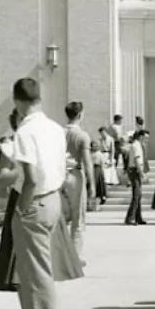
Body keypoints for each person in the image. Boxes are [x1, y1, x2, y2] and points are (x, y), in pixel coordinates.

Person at [0, 109, 83, 309]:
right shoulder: (10, 146)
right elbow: (2, 179)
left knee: (43, 265)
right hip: (23, 199)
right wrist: (25, 173)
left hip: (43, 198)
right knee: (19, 264)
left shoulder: (42, 141)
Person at [9, 77, 70, 309]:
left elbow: (31, 179)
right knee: (37, 269)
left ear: (18, 102)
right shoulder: (56, 129)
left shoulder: (24, 132)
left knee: (36, 273)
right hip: (53, 198)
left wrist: (21, 208)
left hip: (35, 201)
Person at [62, 101, 95, 264]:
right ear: (80, 115)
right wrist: (92, 184)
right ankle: (74, 255)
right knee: (78, 218)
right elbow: (87, 161)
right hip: (75, 174)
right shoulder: (82, 136)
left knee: (60, 217)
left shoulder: (58, 133)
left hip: (58, 175)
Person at [125, 130, 149, 225]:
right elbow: (137, 161)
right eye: (146, 137)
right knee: (136, 195)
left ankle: (138, 217)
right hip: (135, 171)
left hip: (136, 171)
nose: (147, 140)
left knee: (138, 196)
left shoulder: (138, 145)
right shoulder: (136, 145)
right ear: (140, 137)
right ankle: (130, 218)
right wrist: (142, 173)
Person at [90, 141, 107, 208]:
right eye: (93, 145)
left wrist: (103, 173)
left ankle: (98, 203)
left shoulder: (99, 154)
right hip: (91, 169)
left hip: (98, 170)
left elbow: (102, 164)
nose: (95, 147)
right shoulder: (89, 153)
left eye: (96, 145)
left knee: (99, 186)